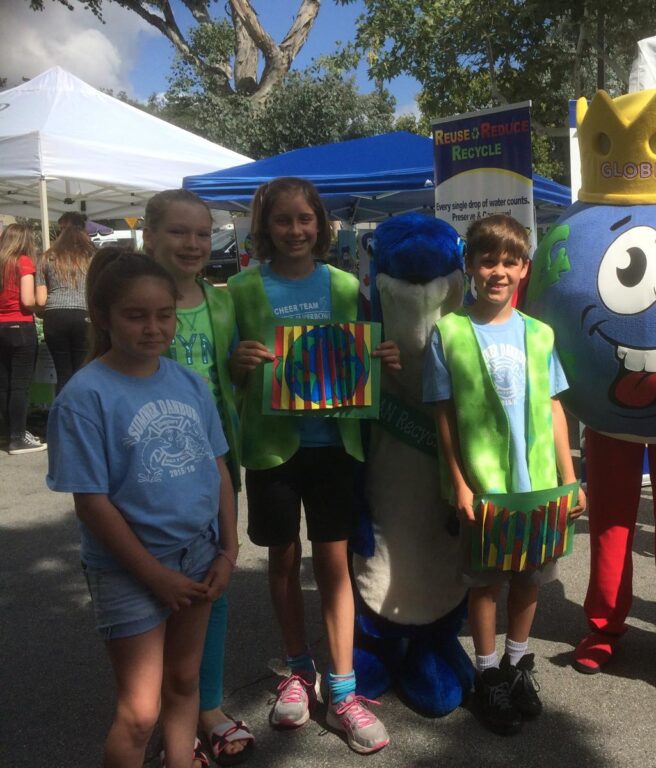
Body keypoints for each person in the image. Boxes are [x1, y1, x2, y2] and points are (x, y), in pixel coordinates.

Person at [226, 177, 399, 755]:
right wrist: (239, 362)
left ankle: (343, 689)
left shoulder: (346, 285)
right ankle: (298, 669)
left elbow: (363, 354)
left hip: (333, 445)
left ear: (322, 225)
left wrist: (382, 356)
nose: (295, 230)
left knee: (333, 564)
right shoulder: (241, 288)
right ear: (265, 227)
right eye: (283, 220)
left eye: (305, 219)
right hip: (271, 448)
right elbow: (230, 372)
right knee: (282, 558)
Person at [45, 248, 238, 768]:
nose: (153, 328)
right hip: (128, 570)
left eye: (164, 315)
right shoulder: (84, 397)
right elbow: (91, 503)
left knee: (184, 681)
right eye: (136, 315)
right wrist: (154, 575)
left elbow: (217, 467)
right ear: (103, 317)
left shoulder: (189, 383)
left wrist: (229, 548)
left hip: (199, 556)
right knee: (139, 712)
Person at [424, 214, 585, 735]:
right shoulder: (449, 332)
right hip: (485, 487)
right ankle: (488, 674)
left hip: (538, 485)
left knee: (530, 577)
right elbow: (444, 414)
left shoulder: (540, 334)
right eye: (488, 261)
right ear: (470, 266)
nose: (499, 271)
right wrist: (459, 483)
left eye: (509, 262)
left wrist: (569, 478)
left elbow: (555, 408)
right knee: (486, 582)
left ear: (524, 269)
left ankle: (517, 665)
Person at [144, 189, 253, 767]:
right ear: (149, 237)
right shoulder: (136, 303)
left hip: (215, 461)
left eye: (203, 233)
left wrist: (242, 365)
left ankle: (204, 704)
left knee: (215, 582)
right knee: (152, 588)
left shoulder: (221, 300)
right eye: (178, 232)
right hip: (151, 471)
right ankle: (164, 712)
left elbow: (228, 378)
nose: (193, 244)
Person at [0, 223, 44, 454]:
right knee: (20, 386)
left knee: (4, 385)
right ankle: (18, 437)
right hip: (20, 327)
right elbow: (27, 301)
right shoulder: (23, 262)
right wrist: (42, 304)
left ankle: (9, 432)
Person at [35, 226, 95, 396]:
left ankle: (62, 409)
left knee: (62, 372)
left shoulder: (47, 258)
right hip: (83, 315)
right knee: (81, 370)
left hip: (55, 316)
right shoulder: (91, 257)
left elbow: (41, 300)